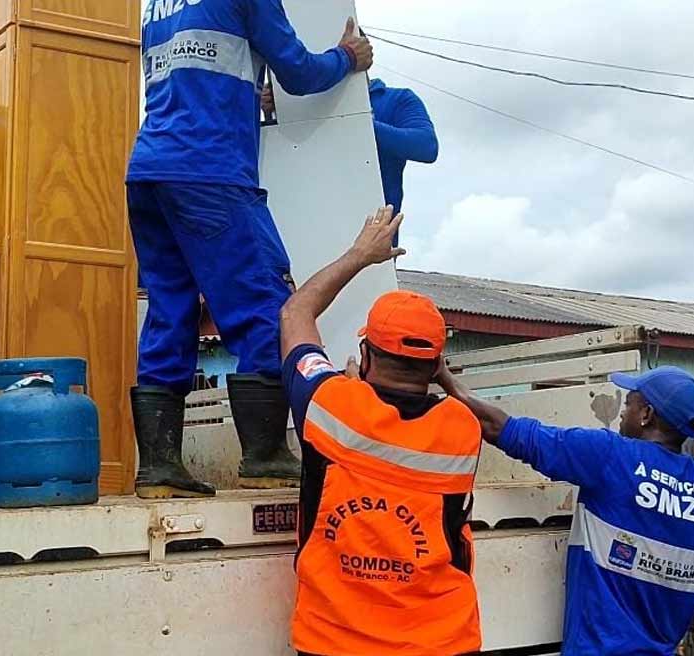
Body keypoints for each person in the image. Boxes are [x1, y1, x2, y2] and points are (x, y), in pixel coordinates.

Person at [126, 1, 373, 498]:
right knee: (265, 303)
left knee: (169, 311)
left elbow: (200, 75)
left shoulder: (158, 3)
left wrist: (247, 95)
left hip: (151, 169)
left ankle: (159, 467)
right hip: (210, 170)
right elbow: (299, 71)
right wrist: (347, 56)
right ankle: (264, 456)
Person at [280, 206, 482, 656]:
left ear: (365, 353)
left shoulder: (329, 405)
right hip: (442, 640)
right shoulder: (462, 429)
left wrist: (360, 254)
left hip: (335, 642)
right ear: (435, 366)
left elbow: (296, 314)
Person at [438, 365, 694, 654]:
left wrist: (447, 380)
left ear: (647, 414)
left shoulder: (611, 455)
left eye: (630, 403)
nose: (622, 411)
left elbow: (503, 429)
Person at [262, 70, 438, 245]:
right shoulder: (301, 107)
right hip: (304, 234)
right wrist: (265, 109)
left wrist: (353, 119)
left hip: (373, 242)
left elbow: (426, 147)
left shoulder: (398, 99)